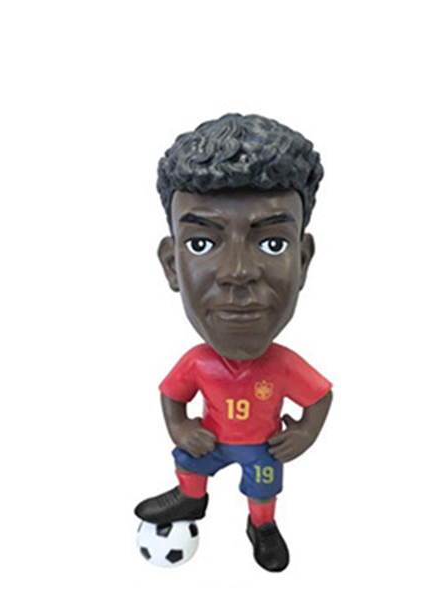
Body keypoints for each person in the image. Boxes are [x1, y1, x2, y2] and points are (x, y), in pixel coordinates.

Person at [134, 113, 332, 572]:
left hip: (262, 447)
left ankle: (262, 526)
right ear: (171, 265)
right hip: (213, 443)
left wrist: (304, 433)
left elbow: (319, 398)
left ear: (303, 262)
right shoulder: (198, 364)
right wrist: (182, 430)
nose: (238, 272)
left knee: (263, 489)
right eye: (202, 244)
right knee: (189, 460)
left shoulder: (284, 366)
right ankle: (191, 498)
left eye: (273, 244)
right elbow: (172, 396)